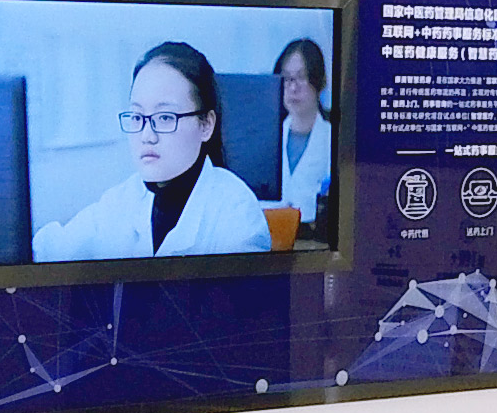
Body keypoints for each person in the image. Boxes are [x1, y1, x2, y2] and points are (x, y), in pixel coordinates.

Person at [33, 40, 270, 259]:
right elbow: (49, 251)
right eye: (137, 117)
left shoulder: (236, 214)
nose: (147, 135)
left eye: (165, 117)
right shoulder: (121, 201)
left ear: (206, 125)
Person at [271, 35, 334, 231]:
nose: (293, 87)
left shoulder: (334, 138)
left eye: (302, 77)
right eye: (286, 78)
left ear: (320, 82)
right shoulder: (268, 136)